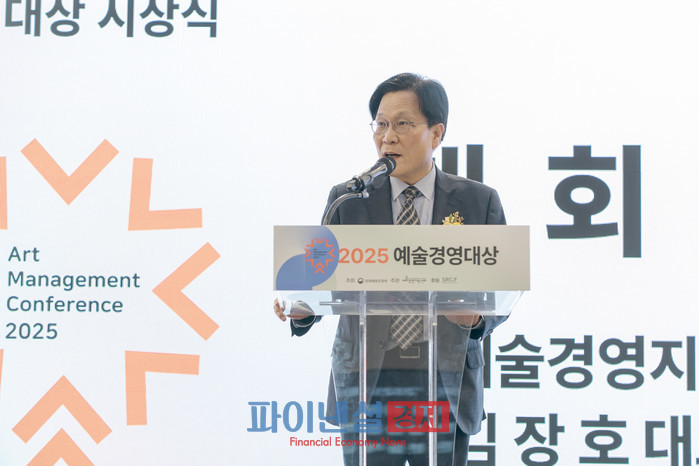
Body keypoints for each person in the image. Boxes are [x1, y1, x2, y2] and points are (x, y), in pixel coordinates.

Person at [274, 72, 508, 465]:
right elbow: (321, 280)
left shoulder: (478, 202)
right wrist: (302, 309)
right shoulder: (348, 200)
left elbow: (501, 289)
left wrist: (478, 318)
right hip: (368, 380)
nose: (388, 137)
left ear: (436, 133)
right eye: (380, 124)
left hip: (445, 380)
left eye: (402, 124)